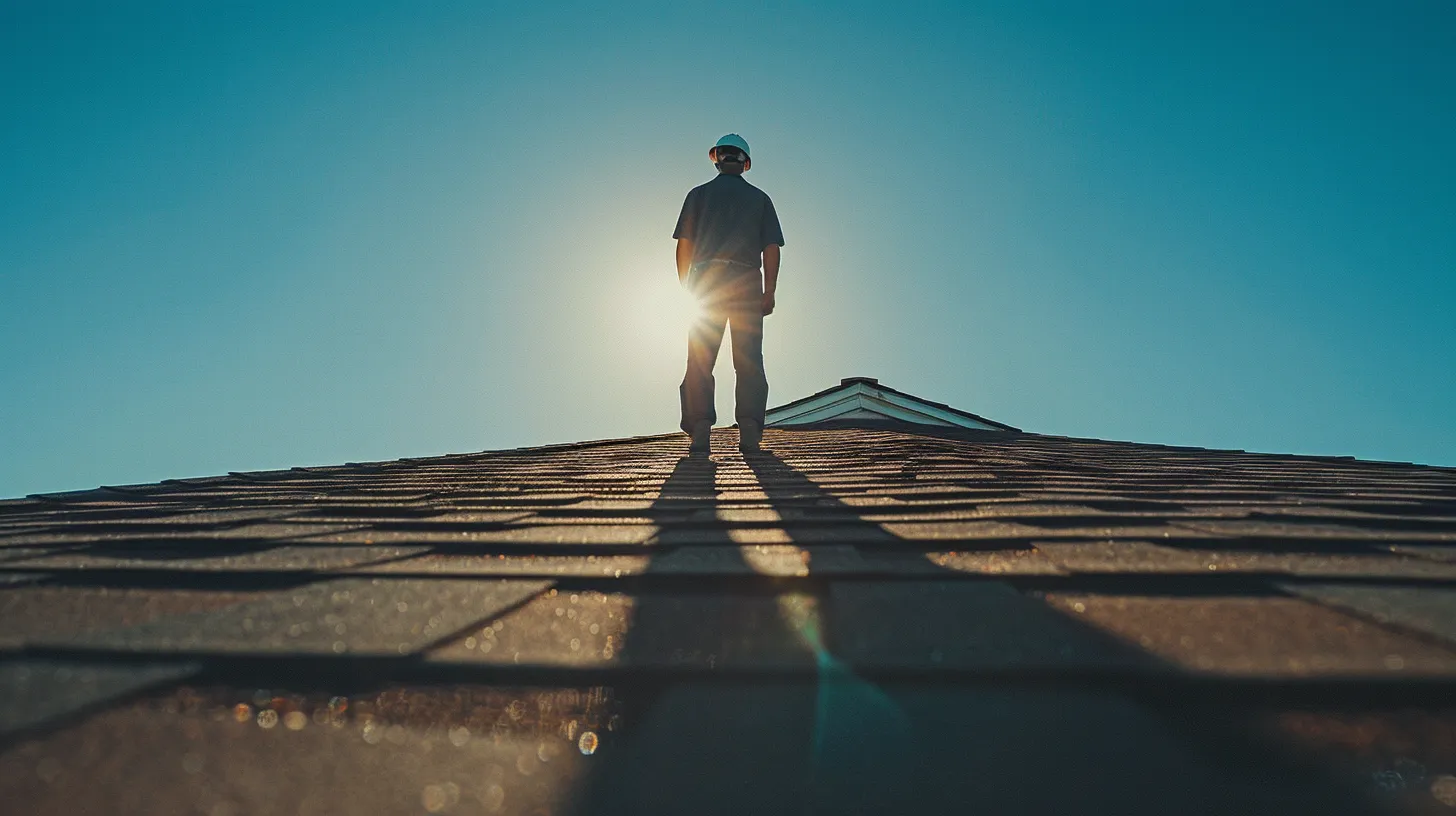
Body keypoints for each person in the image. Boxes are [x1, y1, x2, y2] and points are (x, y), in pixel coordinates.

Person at [673, 133, 785, 455]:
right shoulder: (760, 198)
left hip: (706, 281)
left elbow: (685, 245)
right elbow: (771, 248)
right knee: (748, 359)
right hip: (747, 281)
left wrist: (686, 288)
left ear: (718, 158)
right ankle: (749, 431)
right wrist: (769, 291)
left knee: (700, 357)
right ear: (745, 163)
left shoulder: (698, 195)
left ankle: (700, 431)